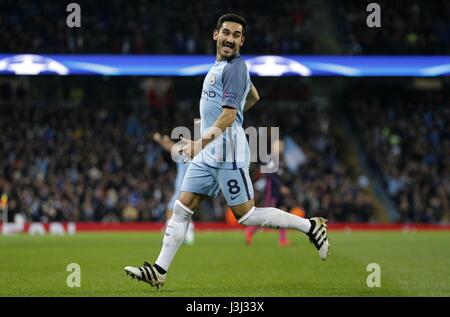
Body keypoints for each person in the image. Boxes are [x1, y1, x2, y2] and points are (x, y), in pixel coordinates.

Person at [124, 13, 329, 289]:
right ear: (215, 35)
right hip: (210, 153)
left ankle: (310, 227)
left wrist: (200, 142)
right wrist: (219, 131)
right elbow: (254, 96)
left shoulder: (234, 68)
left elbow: (229, 115)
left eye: (236, 35)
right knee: (182, 207)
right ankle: (159, 270)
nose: (230, 39)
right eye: (226, 33)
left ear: (242, 41)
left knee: (246, 215)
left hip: (228, 153)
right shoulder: (221, 68)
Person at [245, 139, 292, 247]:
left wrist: (285, 186)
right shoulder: (272, 159)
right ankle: (250, 230)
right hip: (272, 192)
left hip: (279, 193)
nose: (282, 147)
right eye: (280, 146)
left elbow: (281, 175)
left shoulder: (281, 159)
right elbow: (269, 175)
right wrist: (280, 187)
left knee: (283, 214)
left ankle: (283, 240)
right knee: (267, 217)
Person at [152, 132, 194, 245]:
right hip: (189, 186)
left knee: (171, 208)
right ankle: (186, 233)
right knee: (184, 210)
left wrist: (159, 139)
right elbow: (170, 146)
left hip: (182, 187)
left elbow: (170, 147)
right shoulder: (193, 153)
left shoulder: (183, 152)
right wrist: (163, 140)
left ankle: (170, 232)